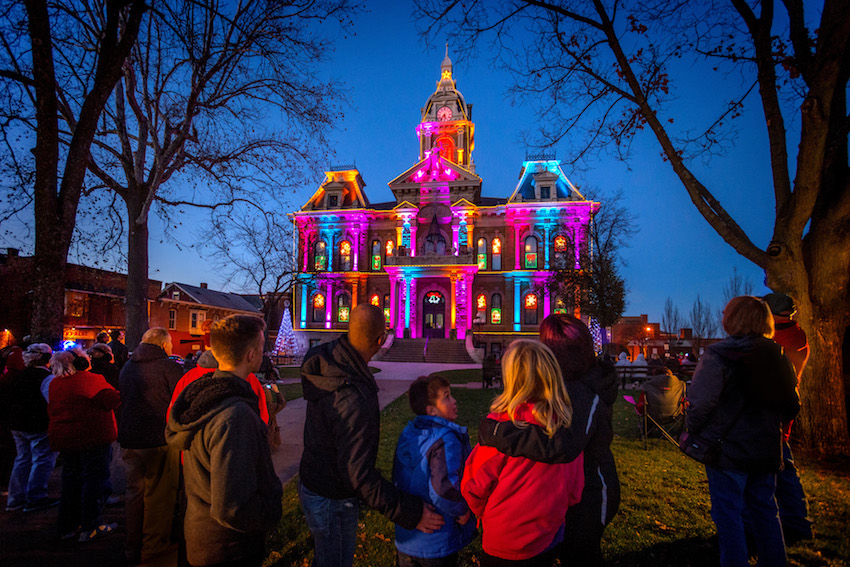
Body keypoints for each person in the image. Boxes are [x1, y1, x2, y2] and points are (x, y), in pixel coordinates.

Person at [299, 303, 444, 567]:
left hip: (314, 482)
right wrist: (410, 513)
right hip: (333, 497)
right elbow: (359, 476)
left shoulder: (331, 363)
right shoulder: (351, 394)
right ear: (381, 339)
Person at [477, 315, 619, 566]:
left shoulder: (584, 391)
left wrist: (498, 432)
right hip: (565, 493)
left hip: (592, 495)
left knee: (582, 555)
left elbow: (563, 445)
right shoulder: (568, 385)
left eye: (546, 345)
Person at [688, 296, 800, 566]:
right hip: (765, 447)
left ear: (732, 319)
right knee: (765, 510)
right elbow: (792, 404)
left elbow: (701, 402)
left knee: (728, 514)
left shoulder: (718, 355)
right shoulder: (777, 354)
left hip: (726, 448)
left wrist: (693, 429)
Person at [166, 315, 282, 567]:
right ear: (251, 355)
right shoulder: (234, 416)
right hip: (227, 548)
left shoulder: (208, 395)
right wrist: (271, 509)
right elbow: (232, 507)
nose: (265, 353)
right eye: (262, 348)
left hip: (203, 537)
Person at [462, 339, 584, 567]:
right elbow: (575, 491)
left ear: (511, 379)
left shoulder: (499, 429)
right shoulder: (567, 429)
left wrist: (484, 515)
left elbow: (473, 486)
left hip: (503, 540)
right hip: (549, 533)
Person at [392, 375, 475, 567]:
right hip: (436, 540)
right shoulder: (446, 439)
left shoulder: (408, 433)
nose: (454, 400)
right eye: (446, 396)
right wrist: (461, 509)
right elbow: (443, 489)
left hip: (407, 536)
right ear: (432, 411)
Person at [118, 328, 184, 564]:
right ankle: (154, 550)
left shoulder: (128, 366)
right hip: (158, 440)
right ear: (165, 346)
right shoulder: (169, 367)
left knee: (134, 494)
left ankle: (132, 546)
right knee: (160, 497)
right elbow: (181, 401)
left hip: (130, 439)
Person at [48, 349, 121, 542]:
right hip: (93, 438)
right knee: (94, 481)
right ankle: (91, 525)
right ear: (79, 363)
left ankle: (68, 526)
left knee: (70, 482)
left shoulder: (55, 383)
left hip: (67, 440)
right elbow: (113, 400)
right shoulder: (90, 380)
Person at [762, 292, 814, 544]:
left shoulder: (776, 338)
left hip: (769, 413)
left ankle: (793, 523)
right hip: (782, 409)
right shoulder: (798, 333)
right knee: (783, 466)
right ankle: (796, 522)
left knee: (782, 469)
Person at [3, 343, 58, 512]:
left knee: (22, 459)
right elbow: (53, 402)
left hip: (17, 424)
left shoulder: (17, 376)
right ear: (47, 358)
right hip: (38, 425)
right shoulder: (46, 378)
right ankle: (35, 497)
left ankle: (15, 498)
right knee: (42, 460)